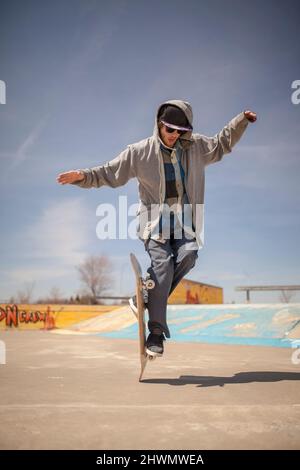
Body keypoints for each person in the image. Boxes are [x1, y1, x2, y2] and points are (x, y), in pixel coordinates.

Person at [57, 100, 257, 356]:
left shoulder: (195, 147)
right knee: (162, 265)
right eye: (170, 130)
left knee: (189, 255)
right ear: (160, 125)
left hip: (185, 220)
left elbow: (221, 144)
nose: (174, 136)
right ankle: (156, 333)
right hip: (154, 221)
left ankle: (149, 295)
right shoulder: (140, 152)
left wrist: (240, 121)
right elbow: (111, 173)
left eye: (180, 132)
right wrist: (83, 176)